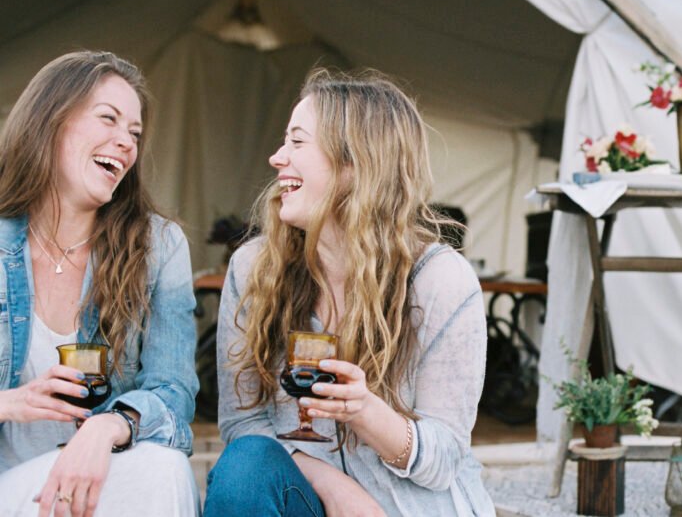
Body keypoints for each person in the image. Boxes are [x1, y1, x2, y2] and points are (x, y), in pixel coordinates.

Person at [205, 69, 494, 516]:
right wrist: (334, 486)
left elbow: (443, 460)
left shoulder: (439, 280)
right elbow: (243, 422)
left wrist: (366, 412)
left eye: (297, 142)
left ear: (353, 163)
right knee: (244, 468)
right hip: (310, 502)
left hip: (409, 508)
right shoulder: (254, 268)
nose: (277, 157)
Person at [0, 51, 200, 516]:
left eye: (134, 132)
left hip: (103, 488)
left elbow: (173, 392)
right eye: (107, 118)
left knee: (162, 466)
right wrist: (11, 403)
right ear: (50, 121)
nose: (126, 143)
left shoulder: (158, 245)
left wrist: (106, 426)